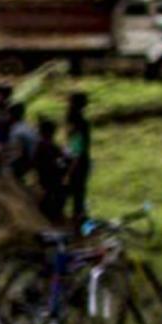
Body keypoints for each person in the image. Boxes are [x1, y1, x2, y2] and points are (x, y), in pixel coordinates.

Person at [59, 89, 94, 224]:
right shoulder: (81, 123)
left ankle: (76, 222)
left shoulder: (74, 122)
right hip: (78, 163)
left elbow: (74, 148)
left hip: (74, 162)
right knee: (78, 196)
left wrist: (69, 169)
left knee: (75, 196)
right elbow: (77, 149)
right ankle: (77, 223)